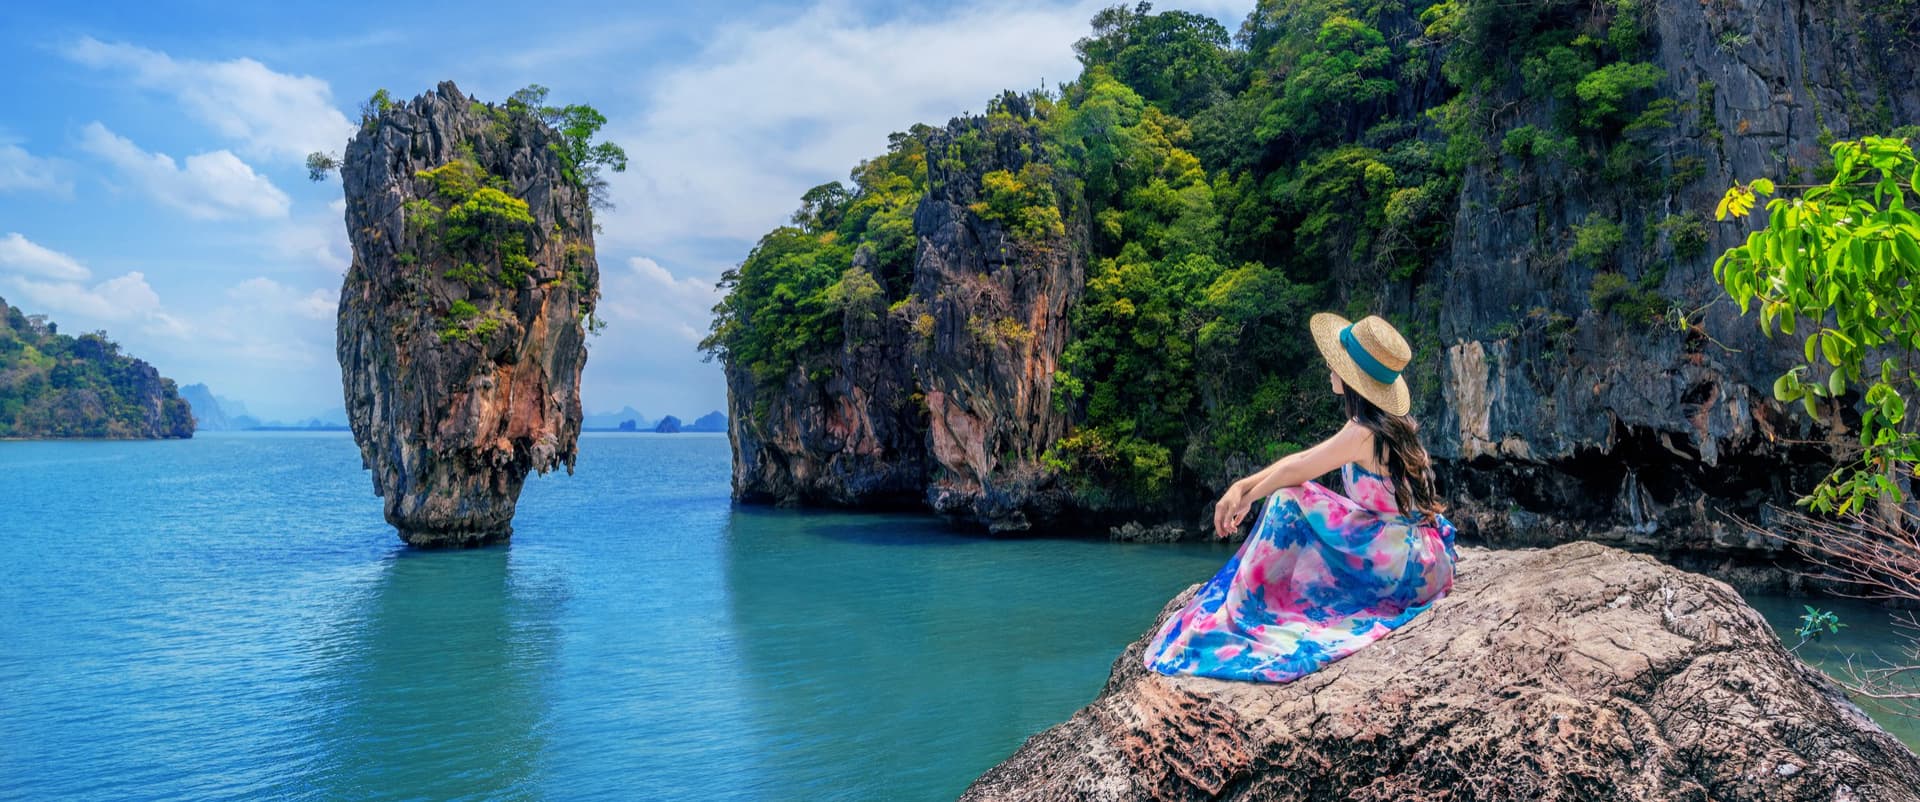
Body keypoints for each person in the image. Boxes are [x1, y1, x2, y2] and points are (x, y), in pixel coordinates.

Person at [1141, 312, 1459, 682]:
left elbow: (1299, 469)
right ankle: (1260, 599)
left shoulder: (1363, 432)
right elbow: (1301, 460)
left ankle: (1250, 608)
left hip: (1404, 566)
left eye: (1337, 362)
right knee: (1295, 493)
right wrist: (1243, 487)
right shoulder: (1380, 423)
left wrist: (1249, 494)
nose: (1330, 366)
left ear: (1354, 378)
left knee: (1286, 500)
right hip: (1416, 553)